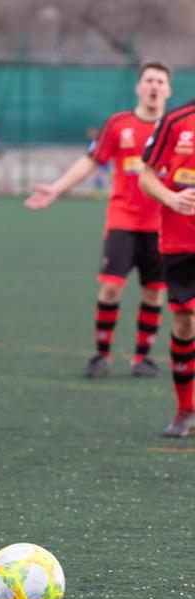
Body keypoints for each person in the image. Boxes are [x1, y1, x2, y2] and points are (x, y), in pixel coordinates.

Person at [25, 63, 173, 378]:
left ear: (168, 90)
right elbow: (91, 161)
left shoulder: (175, 129)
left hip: (162, 226)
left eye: (160, 81)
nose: (154, 86)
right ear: (138, 87)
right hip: (123, 221)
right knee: (110, 289)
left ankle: (141, 358)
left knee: (154, 293)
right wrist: (56, 189)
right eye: (149, 80)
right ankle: (101, 355)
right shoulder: (118, 124)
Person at [139, 97, 195, 436]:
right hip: (180, 242)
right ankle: (185, 408)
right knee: (185, 320)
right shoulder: (176, 121)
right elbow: (145, 177)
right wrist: (171, 198)